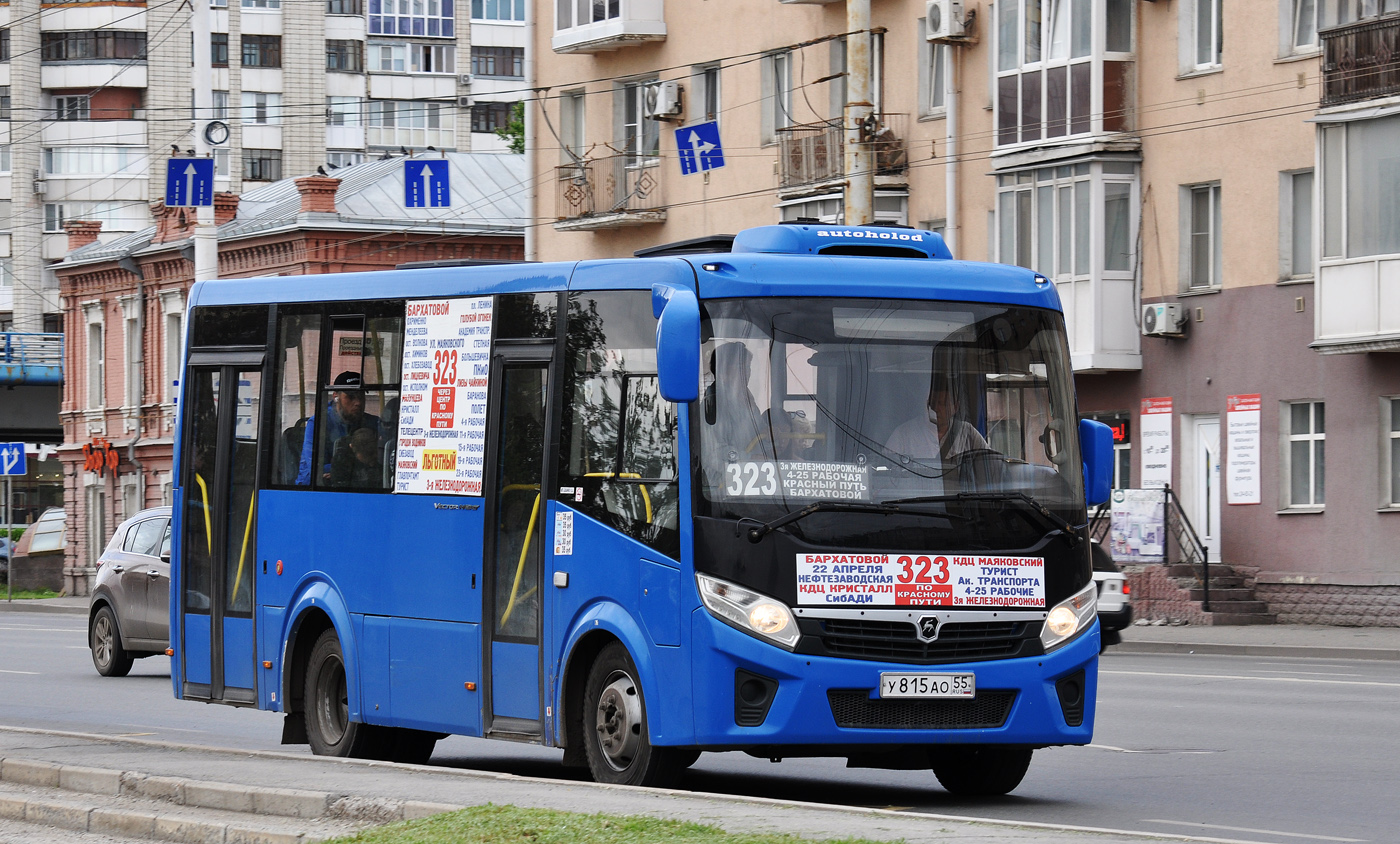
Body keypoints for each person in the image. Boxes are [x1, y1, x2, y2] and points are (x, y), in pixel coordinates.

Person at [296, 371, 382, 486]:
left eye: (361, 396)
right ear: (336, 397)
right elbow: (316, 467)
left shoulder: (373, 423)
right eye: (350, 397)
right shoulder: (318, 423)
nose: (358, 402)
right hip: (315, 490)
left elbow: (383, 463)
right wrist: (357, 466)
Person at [886, 374, 988, 462]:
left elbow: (989, 462)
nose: (937, 408)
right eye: (933, 402)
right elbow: (883, 468)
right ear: (925, 404)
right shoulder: (903, 434)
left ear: (956, 407)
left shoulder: (967, 433)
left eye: (943, 404)